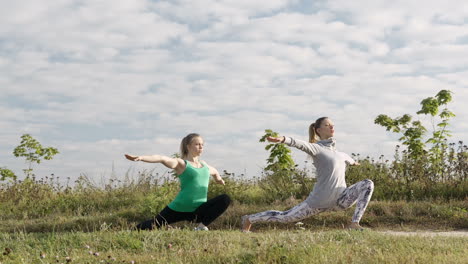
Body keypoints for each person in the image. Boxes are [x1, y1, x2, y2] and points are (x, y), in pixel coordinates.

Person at [241, 117, 374, 232]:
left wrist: (354, 162)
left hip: (340, 200)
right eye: (327, 125)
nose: (331, 126)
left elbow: (348, 159)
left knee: (367, 183)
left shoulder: (340, 154)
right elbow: (299, 144)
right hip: (318, 201)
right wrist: (282, 139)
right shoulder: (316, 148)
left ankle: (354, 223)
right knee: (285, 217)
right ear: (318, 130)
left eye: (332, 124)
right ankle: (249, 219)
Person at [125, 133, 231, 231]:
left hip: (198, 210)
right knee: (154, 224)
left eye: (202, 144)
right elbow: (161, 158)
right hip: (179, 208)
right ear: (188, 146)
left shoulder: (205, 166)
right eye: (197, 144)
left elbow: (215, 172)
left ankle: (201, 227)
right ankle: (131, 232)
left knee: (225, 199)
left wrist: (219, 179)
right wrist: (141, 158)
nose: (201, 147)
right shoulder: (182, 164)